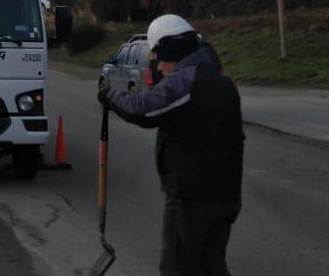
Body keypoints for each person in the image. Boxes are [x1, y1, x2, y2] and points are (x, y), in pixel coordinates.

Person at [97, 14, 244, 276]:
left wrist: (109, 94)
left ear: (169, 51)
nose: (159, 67)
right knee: (211, 266)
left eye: (157, 57)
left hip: (193, 198)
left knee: (178, 268)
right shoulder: (224, 84)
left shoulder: (185, 81)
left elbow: (144, 111)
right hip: (226, 195)